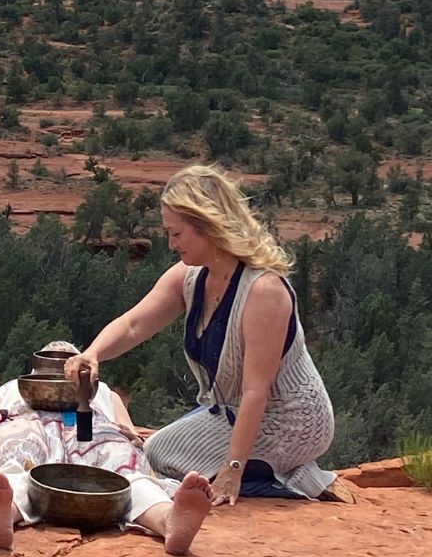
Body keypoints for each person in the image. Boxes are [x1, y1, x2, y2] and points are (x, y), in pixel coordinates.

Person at [65, 164, 339, 508]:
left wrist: (232, 471)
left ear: (209, 226)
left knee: (163, 459)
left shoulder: (264, 291)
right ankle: (273, 470)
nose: (170, 243)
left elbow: (257, 391)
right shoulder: (190, 277)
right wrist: (93, 354)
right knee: (154, 452)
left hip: (291, 422)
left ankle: (297, 481)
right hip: (229, 411)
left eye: (176, 233)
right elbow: (135, 324)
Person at [0, 341, 213, 554]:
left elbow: (131, 433)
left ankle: (168, 519)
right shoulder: (13, 388)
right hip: (31, 426)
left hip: (90, 430)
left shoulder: (103, 393)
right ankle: (6, 512)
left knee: (122, 461)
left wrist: (128, 436)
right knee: (20, 449)